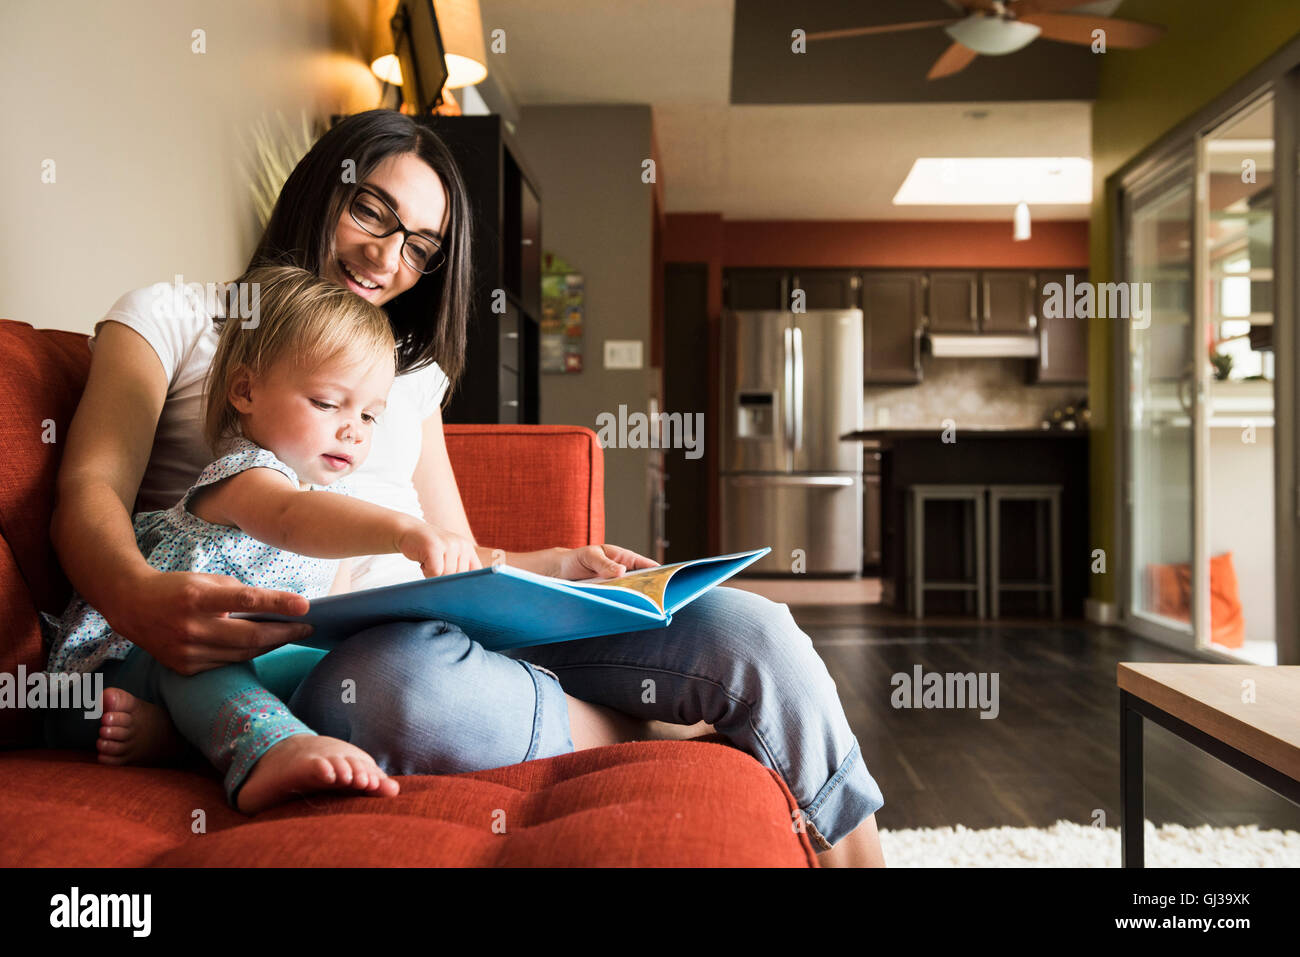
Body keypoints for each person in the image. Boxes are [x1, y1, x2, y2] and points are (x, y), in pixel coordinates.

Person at [46, 109, 885, 865]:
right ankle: (649, 726)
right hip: (346, 663)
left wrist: (559, 562)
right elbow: (87, 490)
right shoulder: (174, 315)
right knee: (399, 689)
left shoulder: (411, 381)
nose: (388, 256)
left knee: (748, 626)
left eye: (420, 244)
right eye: (372, 210)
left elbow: (459, 552)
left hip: (454, 622)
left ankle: (860, 858)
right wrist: (139, 597)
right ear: (317, 188)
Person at [45, 265, 480, 812]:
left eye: (370, 415)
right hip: (121, 666)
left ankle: (175, 737)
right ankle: (271, 749)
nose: (353, 429)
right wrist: (404, 530)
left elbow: (326, 620)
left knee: (340, 667)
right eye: (327, 403)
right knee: (207, 661)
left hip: (213, 674)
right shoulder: (244, 476)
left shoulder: (332, 508)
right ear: (246, 391)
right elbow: (293, 517)